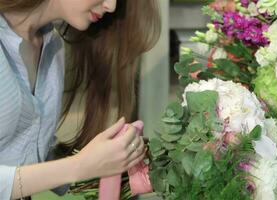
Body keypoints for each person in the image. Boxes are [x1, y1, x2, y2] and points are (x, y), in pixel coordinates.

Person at [0, 0, 160, 199]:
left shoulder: (52, 46)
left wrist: (111, 160)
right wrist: (78, 166)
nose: (111, 5)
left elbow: (28, 152)